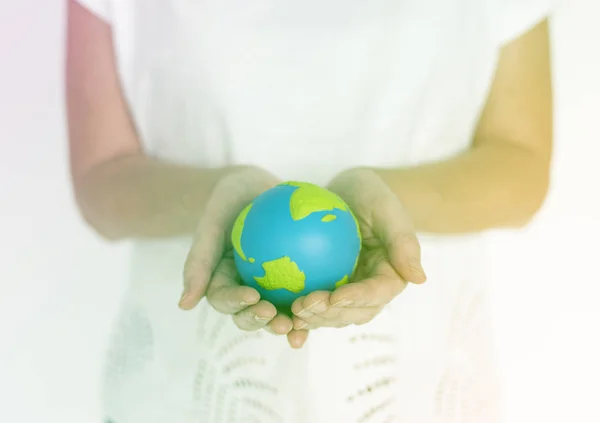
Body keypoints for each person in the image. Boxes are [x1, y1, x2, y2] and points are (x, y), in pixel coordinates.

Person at [65, 0, 553, 421]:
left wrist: (386, 203)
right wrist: (220, 196)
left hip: (418, 392)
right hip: (182, 394)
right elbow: (101, 179)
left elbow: (521, 166)